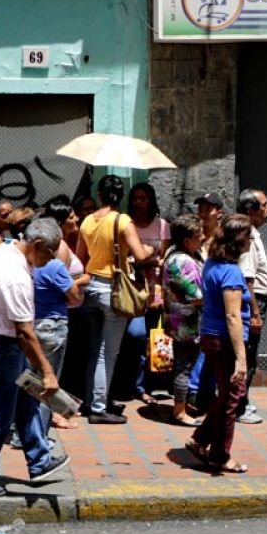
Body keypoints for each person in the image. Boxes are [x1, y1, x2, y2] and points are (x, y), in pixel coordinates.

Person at [0, 218, 71, 498]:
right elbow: (25, 333)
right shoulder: (16, 276)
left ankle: (39, 460)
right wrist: (48, 372)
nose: (52, 259)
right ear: (38, 245)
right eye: (52, 253)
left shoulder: (7, 250)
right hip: (3, 349)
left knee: (27, 400)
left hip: (2, 346)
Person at [74, 175, 157, 425]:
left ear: (100, 194)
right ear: (121, 196)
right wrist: (152, 250)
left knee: (94, 350)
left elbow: (80, 257)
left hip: (91, 288)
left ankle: (92, 400)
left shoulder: (88, 221)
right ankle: (99, 407)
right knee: (107, 353)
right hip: (113, 290)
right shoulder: (123, 221)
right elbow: (141, 254)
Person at [186, 215, 254, 474]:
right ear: (239, 241)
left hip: (211, 336)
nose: (251, 241)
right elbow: (233, 316)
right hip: (224, 340)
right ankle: (220, 455)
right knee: (232, 398)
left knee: (225, 393)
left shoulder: (213, 264)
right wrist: (241, 357)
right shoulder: (231, 273)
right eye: (248, 236)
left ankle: (200, 438)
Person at [32, 205, 87, 440]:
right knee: (49, 382)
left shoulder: (27, 265)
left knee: (32, 382)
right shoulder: (54, 266)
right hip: (53, 326)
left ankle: (26, 433)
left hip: (34, 323)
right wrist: (82, 284)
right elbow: (75, 297)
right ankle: (39, 436)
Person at [119, 182, 170, 407]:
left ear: (151, 200)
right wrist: (146, 259)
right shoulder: (126, 224)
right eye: (135, 198)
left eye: (143, 198)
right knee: (136, 335)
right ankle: (132, 385)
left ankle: (150, 385)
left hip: (156, 287)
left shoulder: (162, 226)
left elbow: (165, 260)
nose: (139, 202)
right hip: (132, 289)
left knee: (157, 337)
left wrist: (143, 260)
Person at [236, 188, 267, 426]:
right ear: (251, 210)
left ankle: (242, 401)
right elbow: (247, 280)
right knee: (247, 357)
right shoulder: (247, 235)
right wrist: (255, 314)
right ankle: (239, 406)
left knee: (250, 356)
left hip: (257, 301)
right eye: (265, 204)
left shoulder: (253, 233)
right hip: (253, 302)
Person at [163, 214, 205, 427]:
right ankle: (179, 410)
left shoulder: (176, 254)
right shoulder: (183, 261)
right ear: (188, 240)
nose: (204, 237)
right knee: (184, 365)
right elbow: (195, 294)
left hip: (179, 320)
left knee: (184, 363)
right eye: (199, 235)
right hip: (187, 323)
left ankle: (181, 405)